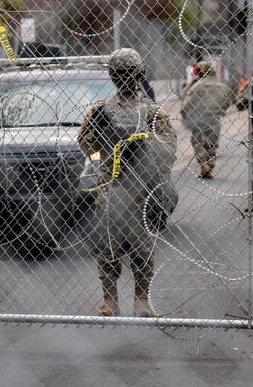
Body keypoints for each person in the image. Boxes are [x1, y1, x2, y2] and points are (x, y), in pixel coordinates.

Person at [78, 48, 178, 317]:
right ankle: (110, 299)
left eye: (129, 74)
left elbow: (169, 150)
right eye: (120, 74)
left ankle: (141, 299)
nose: (124, 79)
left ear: (139, 74)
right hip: (111, 188)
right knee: (107, 248)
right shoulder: (101, 111)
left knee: (142, 250)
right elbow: (85, 143)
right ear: (112, 76)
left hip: (141, 191)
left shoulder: (151, 112)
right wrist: (105, 153)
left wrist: (146, 144)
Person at [180, 60, 232, 179]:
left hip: (200, 117)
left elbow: (187, 102)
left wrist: (185, 114)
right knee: (212, 144)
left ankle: (203, 161)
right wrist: (221, 109)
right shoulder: (222, 85)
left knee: (198, 141)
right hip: (215, 117)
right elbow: (228, 101)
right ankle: (210, 166)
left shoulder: (200, 85)